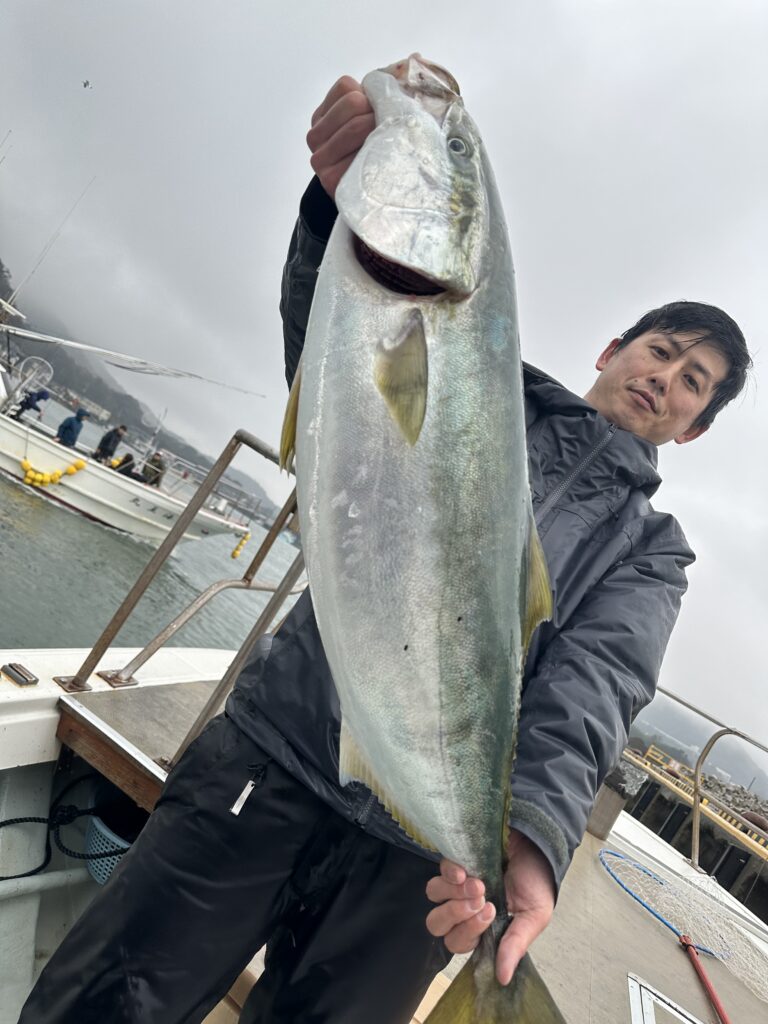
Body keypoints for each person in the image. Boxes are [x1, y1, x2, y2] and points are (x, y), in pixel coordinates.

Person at [19, 74, 752, 1024]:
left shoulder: (650, 553)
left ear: (694, 429)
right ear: (612, 349)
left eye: (694, 381)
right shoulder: (473, 369)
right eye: (661, 350)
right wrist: (333, 217)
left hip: (421, 860)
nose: (666, 377)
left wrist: (529, 842)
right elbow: (329, 362)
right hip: (280, 748)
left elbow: (595, 687)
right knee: (111, 1001)